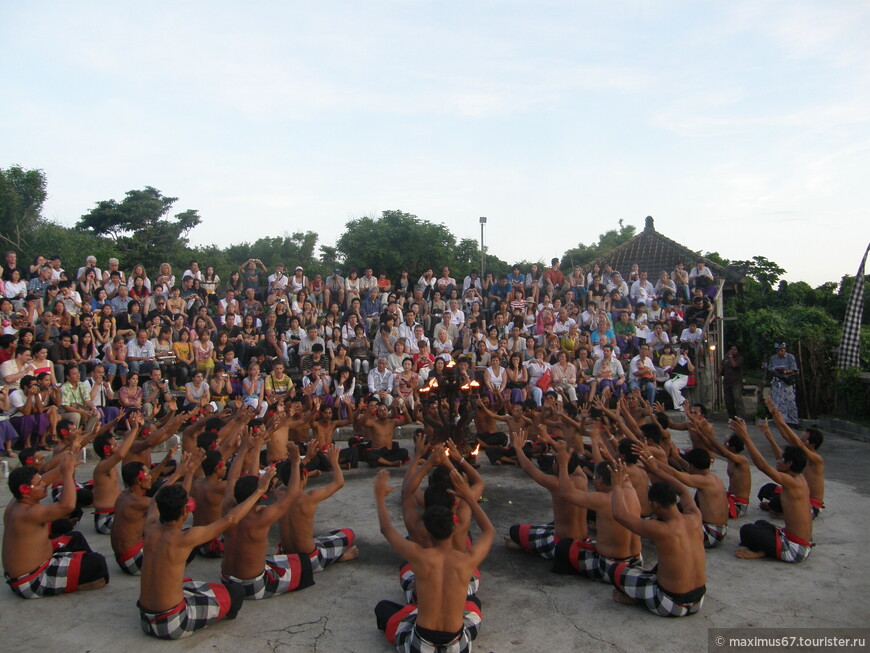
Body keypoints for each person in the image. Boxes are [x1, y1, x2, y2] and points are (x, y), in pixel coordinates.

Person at [137, 467, 276, 639]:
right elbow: (230, 519)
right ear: (184, 511)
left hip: (145, 619)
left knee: (194, 586)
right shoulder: (185, 538)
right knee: (235, 593)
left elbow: (153, 502)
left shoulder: (150, 526)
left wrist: (181, 473)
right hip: (172, 623)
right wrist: (259, 491)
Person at [374, 467, 493, 652]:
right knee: (474, 604)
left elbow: (387, 530)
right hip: (457, 645)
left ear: (427, 530)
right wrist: (469, 497)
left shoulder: (418, 556)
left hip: (420, 645)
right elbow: (489, 531)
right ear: (454, 528)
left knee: (384, 609)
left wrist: (379, 497)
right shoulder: (467, 559)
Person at [3, 448, 109, 598]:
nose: (44, 485)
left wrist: (62, 467)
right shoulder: (28, 512)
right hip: (32, 580)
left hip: (25, 573)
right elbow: (67, 506)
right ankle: (79, 579)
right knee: (97, 563)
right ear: (25, 490)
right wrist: (66, 474)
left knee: (75, 538)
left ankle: (78, 568)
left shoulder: (15, 503)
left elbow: (44, 478)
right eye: (39, 484)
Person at [609, 460, 707, 617]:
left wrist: (616, 485)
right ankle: (645, 593)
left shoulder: (661, 529)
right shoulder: (695, 516)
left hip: (670, 604)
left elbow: (619, 514)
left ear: (655, 506)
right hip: (699, 601)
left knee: (616, 571)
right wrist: (656, 470)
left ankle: (641, 598)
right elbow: (683, 491)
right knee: (657, 568)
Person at [220, 440, 315, 599]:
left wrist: (245, 449)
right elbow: (291, 495)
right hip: (253, 585)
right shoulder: (261, 517)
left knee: (272, 560)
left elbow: (232, 479)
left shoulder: (227, 507)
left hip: (226, 579)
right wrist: (296, 461)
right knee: (303, 562)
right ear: (258, 498)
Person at [552, 446, 643, 583]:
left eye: (594, 478)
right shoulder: (630, 489)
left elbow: (567, 493)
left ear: (600, 480)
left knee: (563, 547)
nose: (593, 482)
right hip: (637, 560)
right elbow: (619, 470)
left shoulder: (603, 499)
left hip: (611, 566)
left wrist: (563, 465)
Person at [730, 418, 813, 563]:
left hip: (794, 550)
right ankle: (766, 548)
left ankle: (763, 551)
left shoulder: (792, 482)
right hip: (800, 544)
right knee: (760, 524)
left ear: (789, 463)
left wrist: (745, 437)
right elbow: (780, 457)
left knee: (747, 531)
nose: (778, 461)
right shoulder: (798, 477)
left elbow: (763, 466)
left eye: (782, 460)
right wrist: (768, 435)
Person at [505, 433, 587, 560]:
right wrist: (554, 444)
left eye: (554, 461)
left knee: (515, 531)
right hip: (583, 538)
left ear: (559, 464)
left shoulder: (555, 483)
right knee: (547, 526)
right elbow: (572, 460)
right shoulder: (583, 479)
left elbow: (528, 468)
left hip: (562, 543)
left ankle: (526, 546)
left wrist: (518, 448)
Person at [277, 445, 358, 571]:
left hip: (286, 556)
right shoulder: (310, 498)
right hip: (311, 560)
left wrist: (304, 459)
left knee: (318, 539)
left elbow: (290, 476)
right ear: (304, 476)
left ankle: (330, 555)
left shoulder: (279, 493)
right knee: (348, 533)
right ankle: (337, 558)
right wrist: (334, 462)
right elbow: (339, 482)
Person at [757, 396, 825, 519]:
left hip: (811, 505)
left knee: (776, 502)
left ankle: (776, 508)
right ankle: (776, 507)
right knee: (767, 490)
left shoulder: (816, 460)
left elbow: (796, 442)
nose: (800, 441)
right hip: (797, 494)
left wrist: (782, 421)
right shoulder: (800, 454)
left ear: (812, 444)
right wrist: (772, 424)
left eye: (803, 440)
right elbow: (786, 440)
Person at [91, 417, 140, 534]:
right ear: (107, 449)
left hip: (115, 513)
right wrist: (134, 429)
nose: (118, 446)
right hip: (105, 520)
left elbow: (124, 447)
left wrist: (135, 428)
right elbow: (120, 454)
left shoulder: (109, 463)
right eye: (115, 445)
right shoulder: (102, 467)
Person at [766, 342, 799, 425]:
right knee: (777, 402)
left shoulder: (790, 357)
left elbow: (794, 369)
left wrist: (785, 371)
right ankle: (780, 421)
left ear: (784, 350)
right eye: (778, 350)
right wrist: (773, 370)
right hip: (777, 382)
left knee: (790, 402)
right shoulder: (773, 358)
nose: (779, 352)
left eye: (781, 350)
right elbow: (769, 368)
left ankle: (793, 421)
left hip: (787, 382)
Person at [721, 345, 745, 420]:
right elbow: (722, 366)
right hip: (727, 381)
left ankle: (740, 416)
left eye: (734, 350)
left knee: (737, 398)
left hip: (736, 382)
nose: (732, 351)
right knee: (728, 400)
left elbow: (734, 365)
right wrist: (717, 376)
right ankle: (731, 416)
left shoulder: (739, 358)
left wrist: (731, 357)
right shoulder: (726, 357)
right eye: (731, 349)